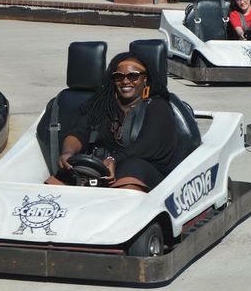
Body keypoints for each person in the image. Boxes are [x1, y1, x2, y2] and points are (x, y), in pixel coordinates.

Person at [56, 52, 178, 192]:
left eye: (133, 76)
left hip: (143, 172)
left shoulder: (158, 106)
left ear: (146, 79)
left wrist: (114, 159)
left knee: (131, 167)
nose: (125, 81)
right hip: (102, 168)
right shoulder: (102, 105)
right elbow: (79, 131)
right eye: (118, 76)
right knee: (58, 180)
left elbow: (148, 144)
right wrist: (68, 152)